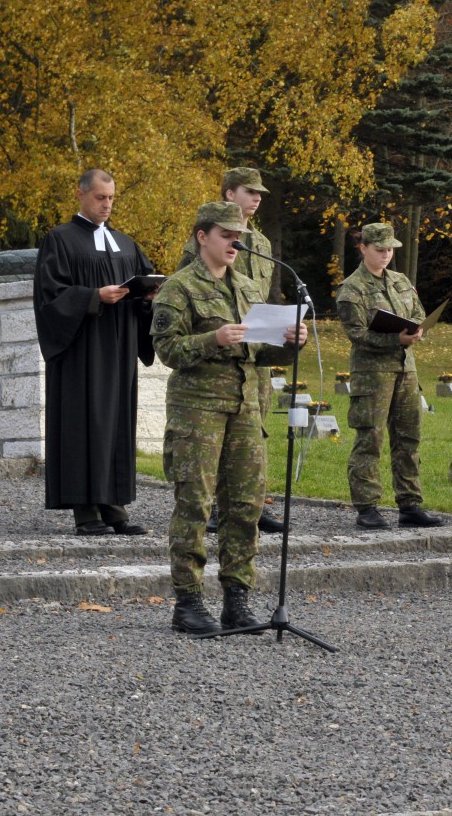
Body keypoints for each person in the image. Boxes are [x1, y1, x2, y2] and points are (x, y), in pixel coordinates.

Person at [152, 201, 307, 636]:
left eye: (238, 236)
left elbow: (258, 352)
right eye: (226, 235)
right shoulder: (179, 288)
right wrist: (212, 339)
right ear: (202, 236)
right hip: (197, 410)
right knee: (195, 504)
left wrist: (290, 343)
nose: (235, 243)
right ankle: (188, 602)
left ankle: (236, 601)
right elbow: (167, 350)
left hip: (245, 409)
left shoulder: (248, 288)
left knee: (245, 506)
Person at [33, 168, 154, 536]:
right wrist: (93, 296)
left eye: (111, 198)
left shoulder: (126, 244)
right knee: (84, 422)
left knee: (116, 423)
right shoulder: (60, 240)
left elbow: (143, 284)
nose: (107, 205)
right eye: (100, 197)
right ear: (81, 194)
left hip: (119, 350)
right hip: (81, 352)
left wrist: (148, 297)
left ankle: (115, 508)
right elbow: (50, 295)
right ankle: (86, 512)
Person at [178, 168, 284, 535]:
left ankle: (252, 502)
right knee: (214, 438)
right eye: (249, 191)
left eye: (260, 193)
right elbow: (189, 290)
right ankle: (213, 507)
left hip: (252, 353)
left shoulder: (262, 243)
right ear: (228, 194)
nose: (256, 198)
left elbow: (261, 296)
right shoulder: (202, 240)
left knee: (254, 431)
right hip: (215, 357)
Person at [336, 222, 443, 530]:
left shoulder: (400, 280)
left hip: (405, 368)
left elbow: (418, 312)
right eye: (380, 249)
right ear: (363, 248)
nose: (386, 255)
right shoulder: (351, 288)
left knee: (409, 437)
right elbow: (356, 334)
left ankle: (410, 504)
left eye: (390, 250)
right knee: (370, 438)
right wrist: (395, 339)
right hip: (372, 374)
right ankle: (367, 506)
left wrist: (418, 329)